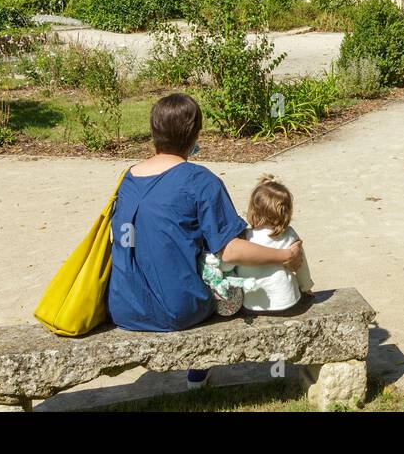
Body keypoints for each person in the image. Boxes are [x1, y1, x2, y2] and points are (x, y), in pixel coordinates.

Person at [107, 93, 304, 388]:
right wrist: (284, 257)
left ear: (153, 132)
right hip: (176, 310)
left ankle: (199, 373)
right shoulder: (200, 181)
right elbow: (230, 251)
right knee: (228, 284)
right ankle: (198, 373)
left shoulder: (128, 178)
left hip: (124, 306)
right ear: (194, 133)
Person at [205, 174, 313, 313]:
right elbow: (300, 264)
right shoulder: (290, 234)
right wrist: (306, 287)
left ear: (253, 210)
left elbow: (228, 264)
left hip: (252, 305)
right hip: (287, 301)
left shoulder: (244, 238)